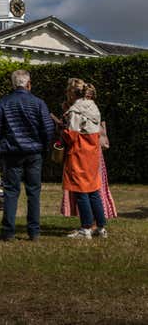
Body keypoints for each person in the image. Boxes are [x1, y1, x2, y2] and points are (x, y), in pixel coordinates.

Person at [0, 70, 54, 242]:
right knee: (33, 192)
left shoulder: (4, 103)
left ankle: (8, 232)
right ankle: (34, 232)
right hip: (34, 152)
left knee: (11, 192)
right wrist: (45, 147)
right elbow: (48, 128)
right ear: (29, 84)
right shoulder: (39, 103)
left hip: (11, 152)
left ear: (13, 84)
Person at [61, 79, 109, 239]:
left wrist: (62, 130)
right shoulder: (93, 107)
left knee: (81, 192)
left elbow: (72, 135)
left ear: (74, 94)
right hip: (93, 153)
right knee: (94, 191)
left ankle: (86, 228)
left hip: (79, 153)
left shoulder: (75, 110)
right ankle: (101, 227)